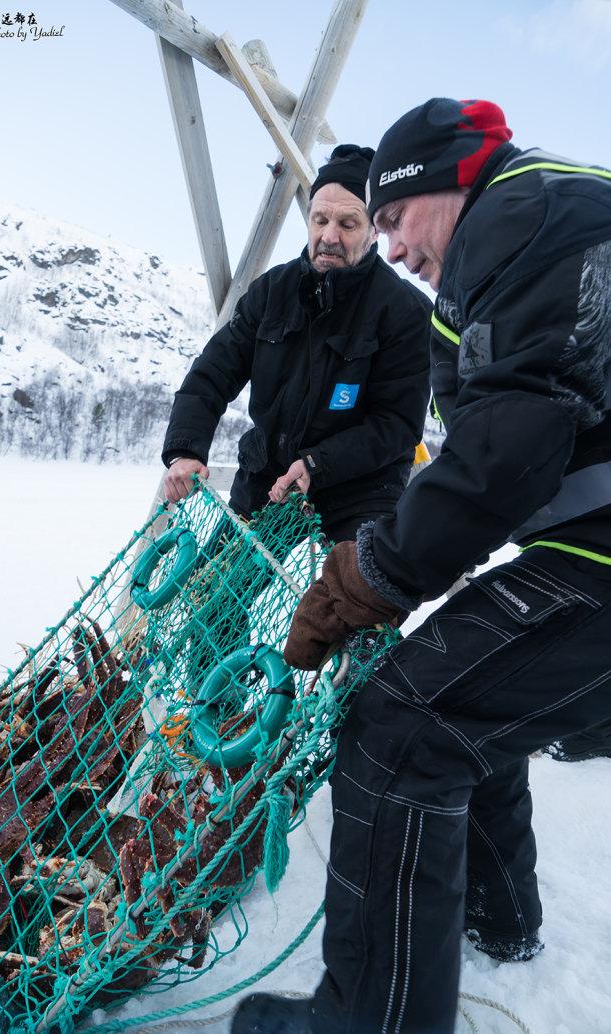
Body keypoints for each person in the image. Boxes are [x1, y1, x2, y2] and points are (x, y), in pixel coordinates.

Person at [232, 99, 611, 1034]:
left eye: (393, 219)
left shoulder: (522, 217)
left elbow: (505, 453)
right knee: (467, 695)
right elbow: (486, 451)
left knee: (401, 724)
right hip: (592, 541)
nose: (392, 249)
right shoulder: (542, 223)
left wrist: (366, 578)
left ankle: (368, 1019)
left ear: (449, 185)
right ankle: (498, 915)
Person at [162, 144, 431, 545]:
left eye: (347, 223)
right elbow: (211, 374)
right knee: (216, 600)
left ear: (375, 230)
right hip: (267, 478)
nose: (329, 236)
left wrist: (315, 464)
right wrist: (185, 448)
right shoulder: (272, 290)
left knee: (352, 601)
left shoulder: (406, 311)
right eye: (319, 219)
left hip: (361, 493)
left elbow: (397, 425)